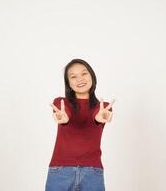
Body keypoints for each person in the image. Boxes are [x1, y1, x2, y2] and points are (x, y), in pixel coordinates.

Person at [45, 59, 115, 191]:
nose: (80, 79)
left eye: (84, 74)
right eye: (73, 76)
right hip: (60, 172)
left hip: (92, 173)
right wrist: (64, 117)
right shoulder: (61, 103)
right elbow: (67, 111)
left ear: (92, 77)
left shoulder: (103, 107)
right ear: (69, 84)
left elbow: (96, 114)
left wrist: (98, 117)